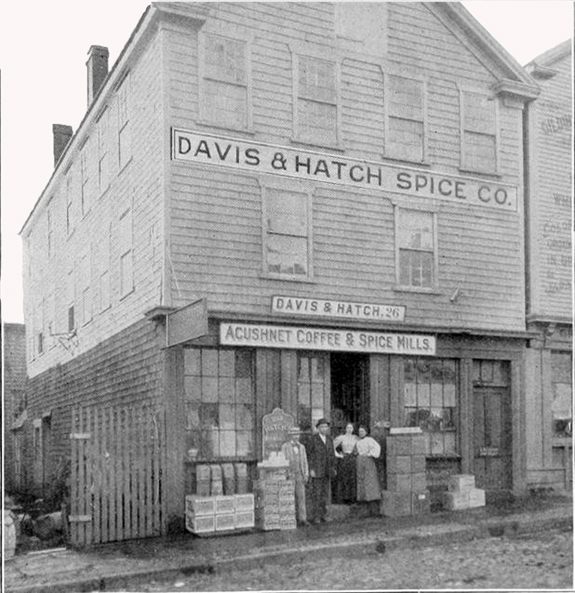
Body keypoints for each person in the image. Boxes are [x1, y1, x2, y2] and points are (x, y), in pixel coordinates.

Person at [306, 417, 336, 524]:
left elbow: (332, 455)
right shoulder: (313, 439)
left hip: (327, 470)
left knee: (325, 494)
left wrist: (333, 467)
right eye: (321, 427)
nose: (324, 428)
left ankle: (325, 515)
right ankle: (316, 517)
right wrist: (311, 469)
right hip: (317, 470)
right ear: (318, 428)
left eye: (325, 427)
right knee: (317, 494)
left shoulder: (329, 439)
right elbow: (309, 455)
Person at [281, 426, 310, 526]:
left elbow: (305, 461)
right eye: (294, 434)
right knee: (289, 497)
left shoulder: (302, 447)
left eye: (297, 434)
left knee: (301, 497)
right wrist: (285, 475)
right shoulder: (285, 447)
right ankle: (291, 518)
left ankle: (302, 518)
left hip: (300, 475)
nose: (296, 436)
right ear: (290, 435)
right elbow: (283, 461)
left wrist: (306, 474)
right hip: (290, 475)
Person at [355, 425, 381, 516]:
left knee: (370, 482)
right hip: (360, 461)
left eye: (362, 431)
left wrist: (370, 454)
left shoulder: (370, 440)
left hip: (368, 461)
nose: (361, 433)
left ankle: (373, 509)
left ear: (366, 432)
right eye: (359, 431)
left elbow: (377, 449)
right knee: (361, 482)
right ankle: (364, 509)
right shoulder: (358, 442)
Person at [333, 422, 358, 504]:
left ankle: (352, 497)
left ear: (353, 429)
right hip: (344, 458)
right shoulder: (341, 437)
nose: (349, 429)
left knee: (352, 478)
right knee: (344, 478)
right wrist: (338, 455)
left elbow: (361, 446)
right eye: (348, 428)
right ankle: (345, 498)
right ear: (345, 429)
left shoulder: (356, 438)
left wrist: (356, 454)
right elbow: (332, 446)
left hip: (353, 459)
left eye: (351, 428)